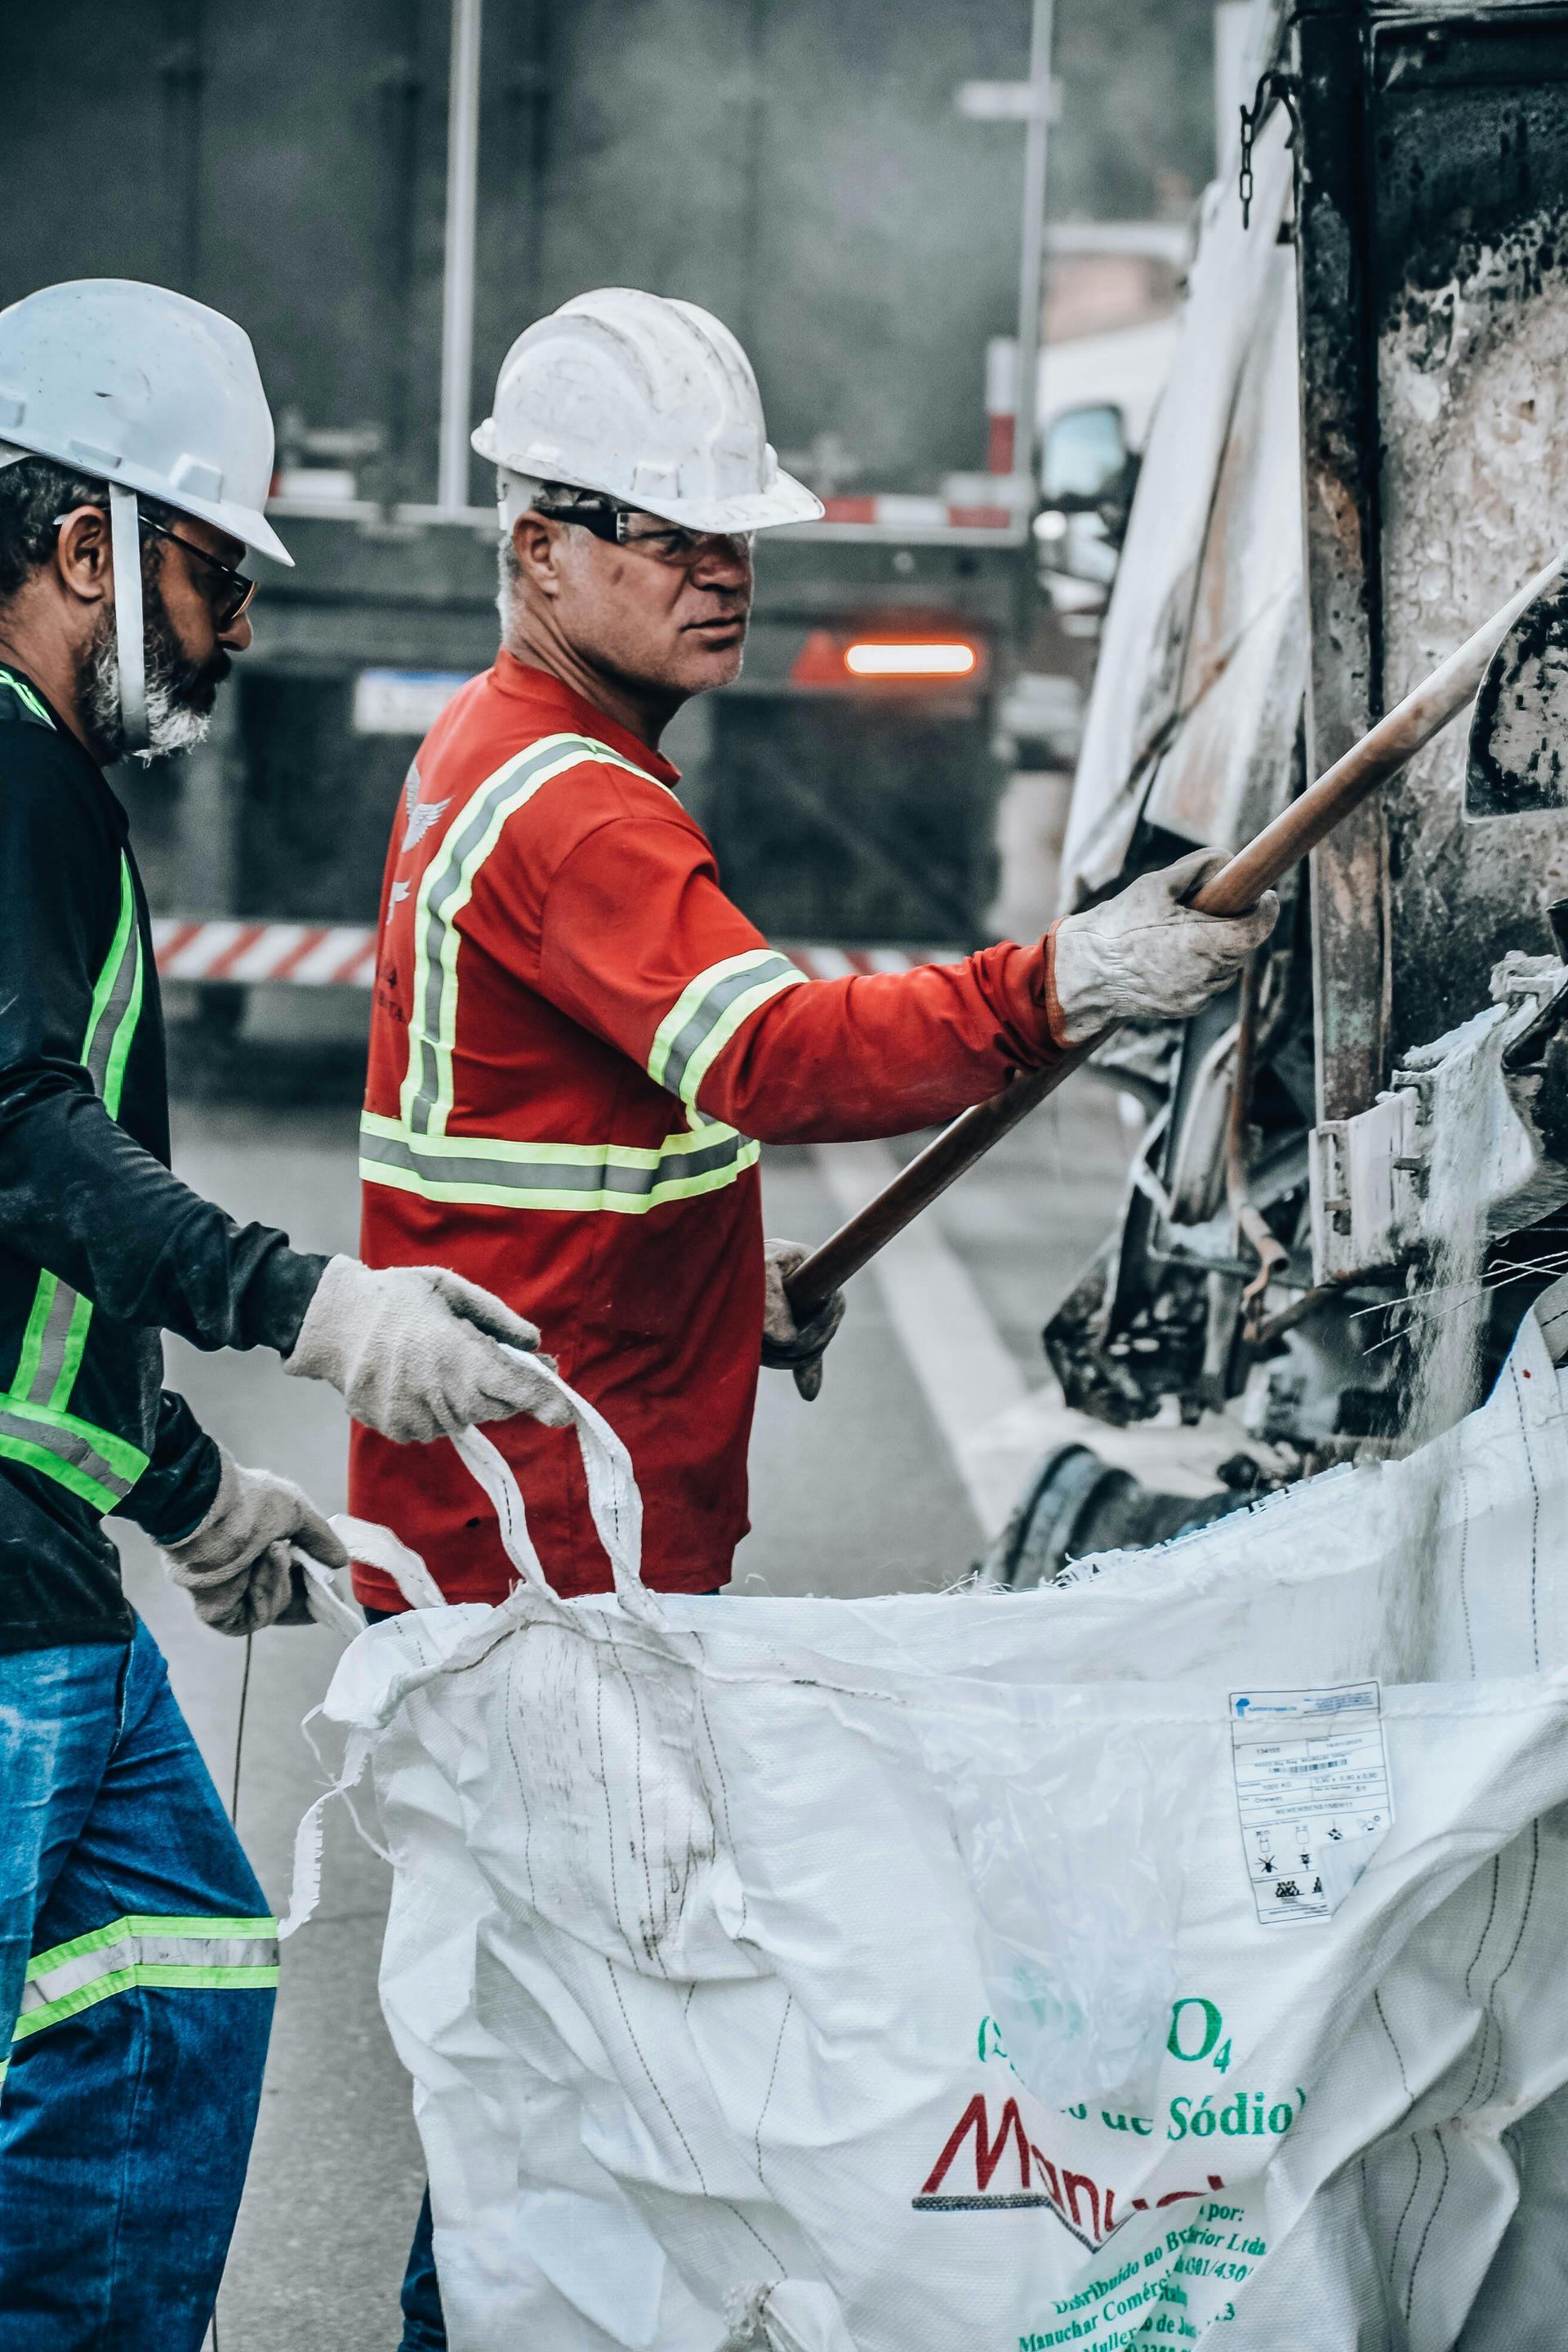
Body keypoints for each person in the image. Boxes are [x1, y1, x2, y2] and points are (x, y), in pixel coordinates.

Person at [350, 284, 1277, 2345]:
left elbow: (563, 1134)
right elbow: (767, 1055)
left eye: (731, 533)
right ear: (539, 546)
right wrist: (1066, 984)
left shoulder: (509, 758)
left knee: (546, 2087)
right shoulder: (578, 801)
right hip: (557, 1575)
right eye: (667, 533)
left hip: (525, 1527)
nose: (719, 572)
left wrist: (714, 1277)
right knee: (572, 2104)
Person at [0, 278, 568, 2352]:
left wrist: (185, 1488)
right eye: (212, 572)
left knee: (173, 1957)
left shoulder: (45, 789)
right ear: (84, 549)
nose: (236, 629)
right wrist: (313, 1309)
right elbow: (16, 1142)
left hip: (49, 1553)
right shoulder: (10, 788)